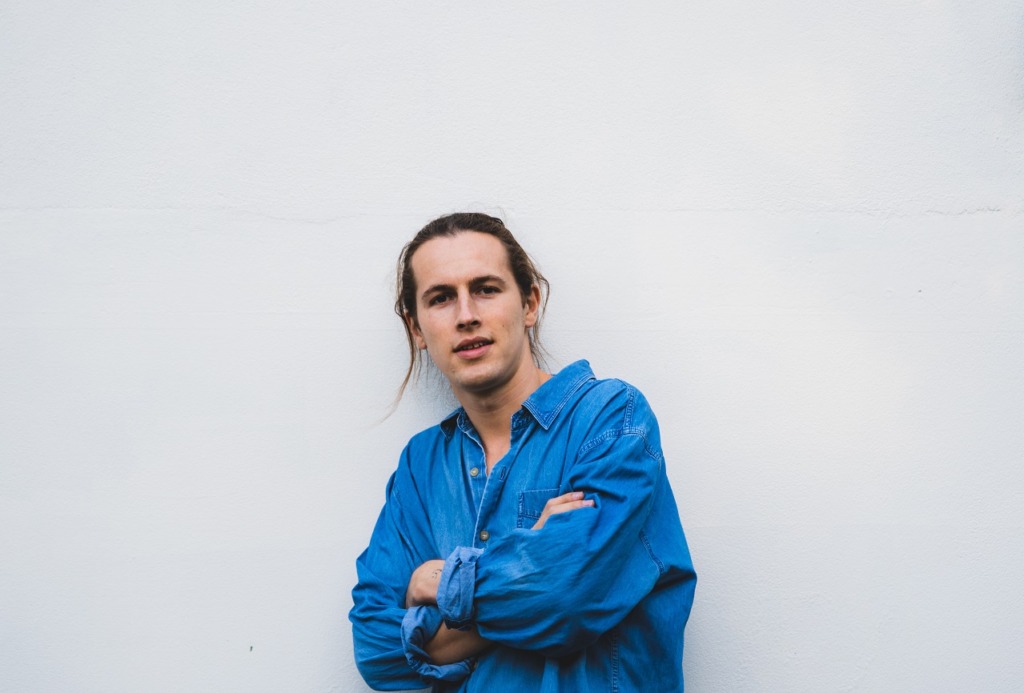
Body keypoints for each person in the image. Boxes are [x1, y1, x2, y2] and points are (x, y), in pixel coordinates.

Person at [350, 213, 696, 692]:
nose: (466, 315)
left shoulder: (610, 419)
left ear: (530, 303)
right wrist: (527, 567)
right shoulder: (421, 465)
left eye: (486, 289)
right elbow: (374, 649)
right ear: (416, 327)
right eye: (441, 297)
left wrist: (441, 584)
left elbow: (564, 597)